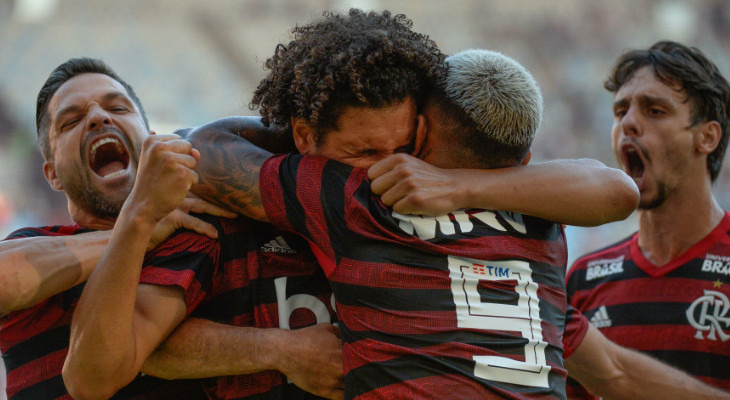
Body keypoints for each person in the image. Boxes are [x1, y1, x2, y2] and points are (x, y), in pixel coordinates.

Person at [0, 57, 237, 399]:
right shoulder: (37, 244)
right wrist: (138, 226)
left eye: (118, 107)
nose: (98, 117)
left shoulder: (197, 234)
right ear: (52, 174)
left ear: (152, 139)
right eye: (71, 121)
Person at [566, 40, 730, 397]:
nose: (629, 123)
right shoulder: (584, 280)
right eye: (620, 111)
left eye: (655, 110)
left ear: (707, 137)